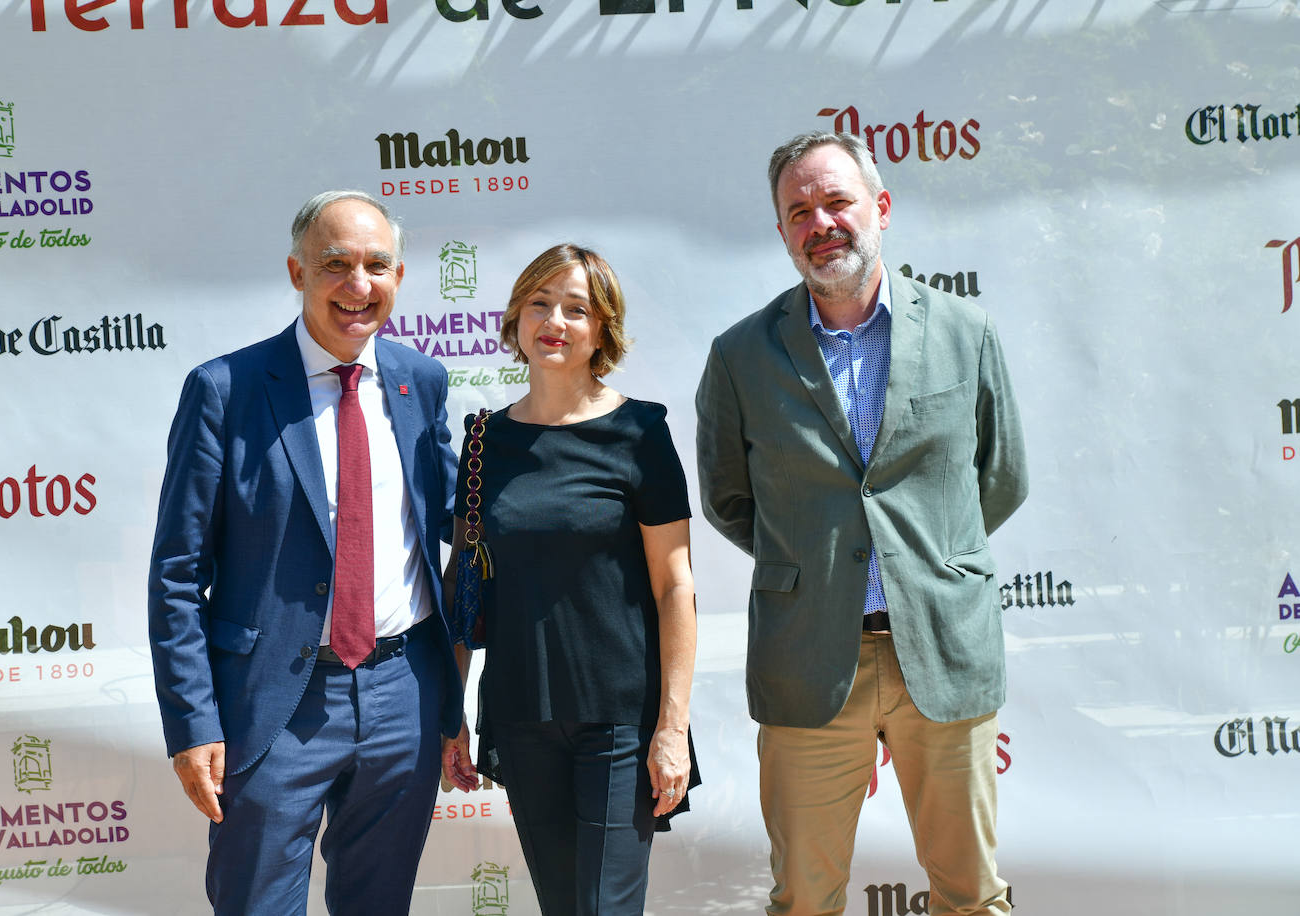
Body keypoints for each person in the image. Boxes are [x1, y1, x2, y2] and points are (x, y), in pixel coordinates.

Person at [695, 131, 1029, 915]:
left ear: (879, 207)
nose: (822, 223)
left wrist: (925, 562)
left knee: (971, 896)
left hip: (940, 653)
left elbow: (1001, 477)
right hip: (809, 660)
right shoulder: (740, 355)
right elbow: (729, 499)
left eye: (837, 201)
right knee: (804, 900)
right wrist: (816, 563)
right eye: (799, 211)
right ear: (782, 232)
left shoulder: (964, 331)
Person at [147, 190, 462, 914]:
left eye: (376, 265)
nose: (358, 286)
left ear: (400, 277)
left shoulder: (422, 382)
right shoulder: (226, 390)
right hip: (270, 706)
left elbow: (458, 515)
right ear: (296, 272)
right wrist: (192, 723)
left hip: (403, 698)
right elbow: (176, 574)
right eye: (335, 265)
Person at [441, 244, 699, 915]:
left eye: (576, 308)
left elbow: (676, 587)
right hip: (522, 714)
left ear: (601, 329)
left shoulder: (639, 433)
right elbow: (464, 590)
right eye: (540, 302)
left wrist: (672, 728)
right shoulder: (481, 442)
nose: (555, 320)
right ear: (518, 318)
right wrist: (450, 713)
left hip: (619, 720)